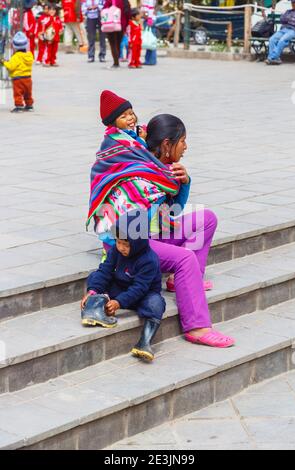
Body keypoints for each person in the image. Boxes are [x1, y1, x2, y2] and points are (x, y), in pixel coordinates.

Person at [87, 92, 235, 349]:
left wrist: (184, 182)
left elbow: (172, 211)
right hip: (130, 241)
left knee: (206, 219)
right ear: (167, 144)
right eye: (183, 141)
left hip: (150, 233)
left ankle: (186, 282)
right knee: (185, 258)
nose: (186, 147)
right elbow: (126, 228)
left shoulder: (159, 170)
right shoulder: (142, 173)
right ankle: (197, 327)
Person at [81, 212, 166, 362]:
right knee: (95, 276)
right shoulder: (115, 250)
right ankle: (95, 309)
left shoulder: (149, 260)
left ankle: (144, 342)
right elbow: (105, 270)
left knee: (156, 303)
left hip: (142, 295)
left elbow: (140, 288)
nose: (121, 247)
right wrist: (92, 292)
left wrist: (118, 302)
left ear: (138, 242)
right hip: (121, 287)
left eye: (126, 244)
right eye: (118, 242)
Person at [0, 31, 34, 112]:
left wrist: (4, 62)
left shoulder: (16, 57)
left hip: (18, 79)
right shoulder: (29, 55)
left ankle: (19, 106)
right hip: (28, 78)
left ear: (14, 47)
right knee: (28, 93)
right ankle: (29, 105)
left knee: (18, 93)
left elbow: (11, 66)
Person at [266, 0, 295, 65]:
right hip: (284, 29)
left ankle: (271, 58)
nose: (292, 4)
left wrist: (288, 19)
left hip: (294, 31)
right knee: (272, 39)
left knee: (282, 40)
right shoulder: (288, 11)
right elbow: (282, 20)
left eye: (294, 3)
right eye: (292, 3)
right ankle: (275, 59)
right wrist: (289, 19)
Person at [103, 0, 131, 68]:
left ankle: (116, 63)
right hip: (122, 25)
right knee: (118, 44)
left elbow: (104, 11)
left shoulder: (110, 1)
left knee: (113, 45)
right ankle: (117, 61)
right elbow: (128, 14)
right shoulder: (125, 1)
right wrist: (126, 25)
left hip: (111, 24)